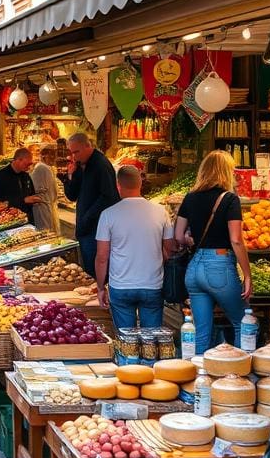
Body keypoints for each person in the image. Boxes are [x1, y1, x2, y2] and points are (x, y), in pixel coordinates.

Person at [173, 150, 251, 353]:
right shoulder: (229, 199)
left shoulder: (190, 197)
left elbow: (179, 236)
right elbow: (236, 240)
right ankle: (241, 378)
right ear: (226, 172)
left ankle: (196, 378)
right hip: (219, 266)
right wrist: (247, 274)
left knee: (201, 333)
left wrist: (194, 240)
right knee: (244, 323)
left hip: (194, 268)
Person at [94, 166, 174, 329]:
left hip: (121, 286)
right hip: (152, 284)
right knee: (151, 339)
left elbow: (102, 257)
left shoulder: (108, 214)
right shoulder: (161, 212)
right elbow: (169, 250)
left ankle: (128, 356)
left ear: (118, 186)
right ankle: (150, 355)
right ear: (140, 184)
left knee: (126, 341)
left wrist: (101, 287)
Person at [58, 133, 118, 278]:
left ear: (88, 146)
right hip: (86, 228)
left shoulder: (101, 165)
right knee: (89, 270)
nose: (74, 156)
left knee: (96, 272)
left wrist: (87, 218)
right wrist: (69, 176)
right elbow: (72, 195)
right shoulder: (80, 165)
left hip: (97, 229)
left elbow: (108, 197)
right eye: (71, 153)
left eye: (76, 152)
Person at [0, 148, 39, 223]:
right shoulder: (1, 176)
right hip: (9, 221)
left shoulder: (26, 176)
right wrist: (23, 200)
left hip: (27, 219)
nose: (29, 166)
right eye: (27, 164)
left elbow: (32, 193)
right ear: (19, 160)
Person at [30, 145, 59, 231]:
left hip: (48, 205)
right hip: (42, 207)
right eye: (50, 154)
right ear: (43, 155)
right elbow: (37, 190)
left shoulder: (47, 168)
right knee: (45, 231)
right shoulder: (41, 168)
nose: (53, 157)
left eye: (54, 154)